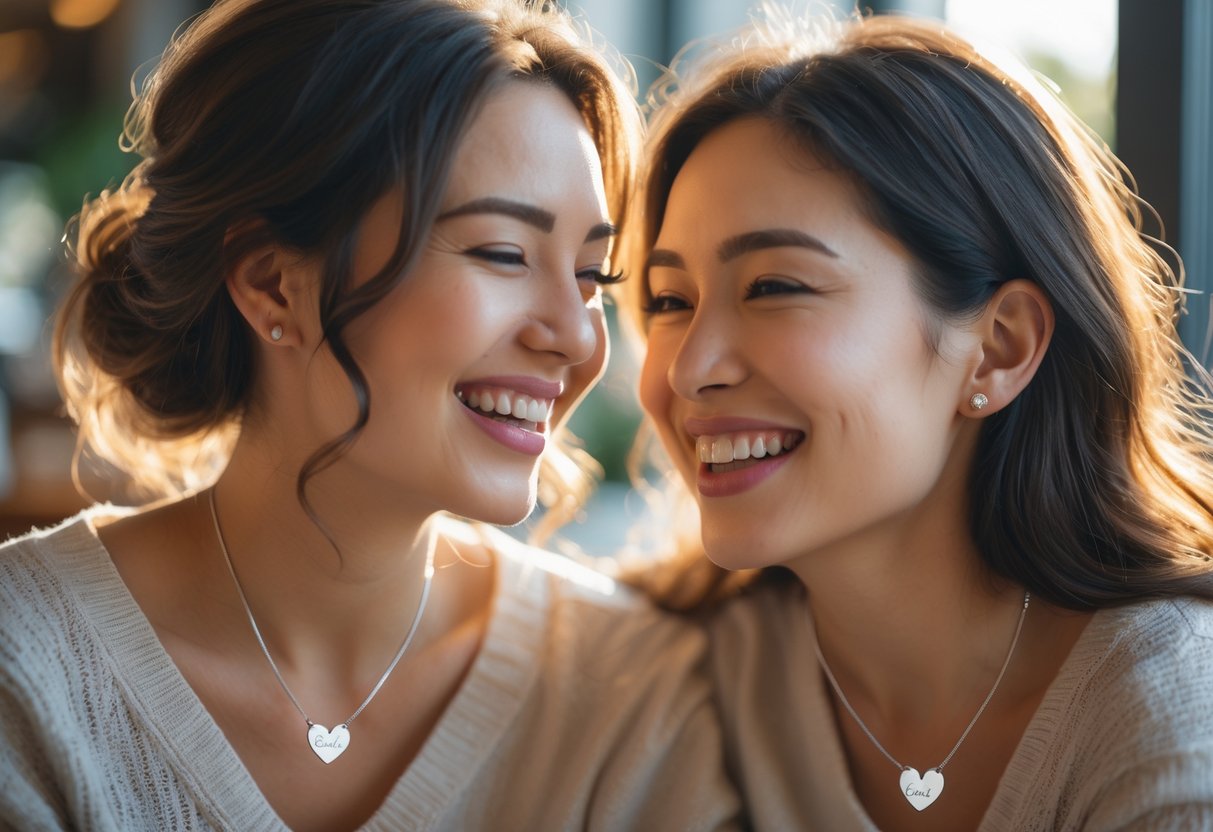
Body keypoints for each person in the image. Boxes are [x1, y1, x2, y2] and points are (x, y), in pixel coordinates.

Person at [0, 1, 743, 829]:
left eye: (591, 277)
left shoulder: (627, 693)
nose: (575, 337)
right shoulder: (27, 667)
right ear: (273, 284)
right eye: (502, 253)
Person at [624, 9, 1213, 831]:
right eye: (668, 301)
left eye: (774, 287)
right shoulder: (675, 668)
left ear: (997, 350)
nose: (689, 368)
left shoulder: (1172, 729)